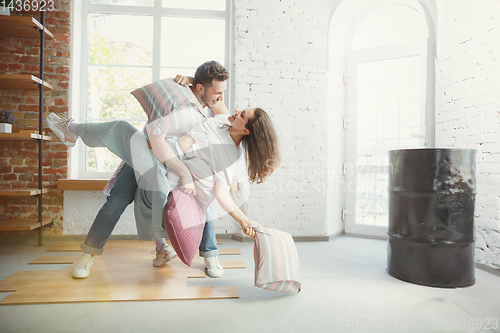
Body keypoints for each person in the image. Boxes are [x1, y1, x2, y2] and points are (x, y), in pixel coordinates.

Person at [49, 61, 230, 279]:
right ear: (201, 88)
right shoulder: (181, 98)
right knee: (114, 204)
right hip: (142, 154)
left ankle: (210, 256)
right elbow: (155, 139)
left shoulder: (207, 108)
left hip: (172, 162)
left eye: (222, 92)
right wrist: (192, 83)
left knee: (202, 199)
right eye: (217, 92)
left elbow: (222, 114)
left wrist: (194, 81)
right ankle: (88, 256)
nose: (220, 97)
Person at [46, 104, 281, 266]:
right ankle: (161, 248)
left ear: (246, 130)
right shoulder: (222, 122)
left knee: (120, 128)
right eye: (241, 109)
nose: (236, 111)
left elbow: (221, 192)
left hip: (161, 166)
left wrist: (244, 220)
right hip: (160, 154)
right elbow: (215, 104)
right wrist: (191, 81)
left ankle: (71, 130)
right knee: (126, 195)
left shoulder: (230, 156)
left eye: (242, 114)